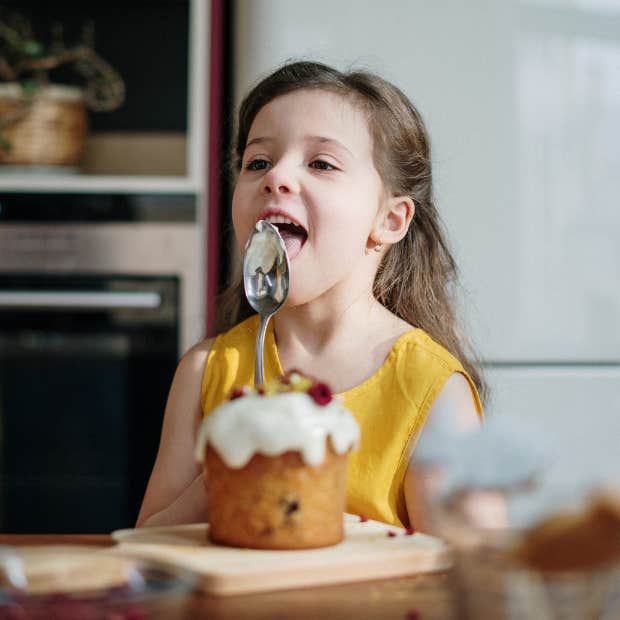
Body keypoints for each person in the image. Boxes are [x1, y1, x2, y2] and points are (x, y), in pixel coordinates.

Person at [136, 61, 485, 532]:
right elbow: (146, 549)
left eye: (321, 163)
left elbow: (473, 574)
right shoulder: (205, 373)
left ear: (390, 221)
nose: (275, 177)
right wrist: (228, 476)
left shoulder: (432, 389)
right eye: (257, 162)